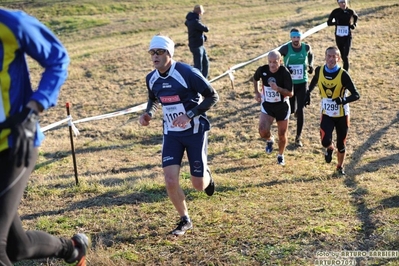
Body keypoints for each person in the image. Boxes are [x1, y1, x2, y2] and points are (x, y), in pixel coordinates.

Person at [0, 8, 89, 266]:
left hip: (14, 144)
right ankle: (72, 250)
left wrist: (32, 111)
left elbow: (57, 59)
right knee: (18, 248)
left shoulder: (11, 23)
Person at [139, 35, 219, 236]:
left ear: (169, 53)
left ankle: (207, 176)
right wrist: (149, 113)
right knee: (170, 180)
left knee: (198, 185)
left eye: (159, 52)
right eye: (152, 52)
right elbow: (153, 99)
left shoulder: (187, 72)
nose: (155, 56)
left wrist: (189, 114)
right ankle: (185, 219)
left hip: (194, 132)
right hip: (171, 134)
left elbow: (212, 96)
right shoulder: (152, 78)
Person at [307, 46, 360, 176]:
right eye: (329, 56)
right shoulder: (319, 71)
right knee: (325, 141)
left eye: (334, 56)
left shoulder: (343, 75)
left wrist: (343, 100)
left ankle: (340, 167)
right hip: (326, 113)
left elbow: (356, 95)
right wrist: (308, 93)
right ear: (325, 57)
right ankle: (330, 148)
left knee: (341, 144)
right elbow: (314, 81)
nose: (331, 59)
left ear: (339, 58)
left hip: (342, 114)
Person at [253, 50, 293, 166]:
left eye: (275, 62)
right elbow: (255, 78)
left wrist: (278, 89)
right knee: (262, 131)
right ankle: (270, 140)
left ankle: (280, 155)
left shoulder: (284, 73)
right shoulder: (263, 70)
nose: (272, 65)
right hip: (268, 105)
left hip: (282, 106)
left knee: (282, 133)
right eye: (270, 62)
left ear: (280, 61)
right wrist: (256, 92)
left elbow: (290, 93)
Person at [278, 28, 314, 147]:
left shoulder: (306, 47)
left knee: (301, 110)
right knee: (292, 109)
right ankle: (294, 111)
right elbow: (277, 58)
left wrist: (310, 65)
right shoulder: (285, 48)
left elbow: (311, 54)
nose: (296, 40)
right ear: (291, 38)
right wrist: (283, 69)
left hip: (302, 82)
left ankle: (298, 138)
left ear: (300, 37)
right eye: (294, 37)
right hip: (290, 84)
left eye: (298, 37)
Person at [327, 0, 358, 71]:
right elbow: (329, 22)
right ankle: (340, 70)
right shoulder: (335, 12)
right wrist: (336, 23)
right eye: (341, 2)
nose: (343, 4)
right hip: (338, 36)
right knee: (341, 54)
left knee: (345, 56)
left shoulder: (350, 11)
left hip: (347, 36)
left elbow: (355, 17)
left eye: (344, 2)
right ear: (338, 3)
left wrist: (354, 24)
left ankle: (346, 73)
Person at [185, 4, 210, 78]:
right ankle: (198, 81)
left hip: (198, 44)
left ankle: (204, 79)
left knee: (205, 63)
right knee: (199, 66)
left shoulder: (190, 19)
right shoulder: (195, 21)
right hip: (197, 46)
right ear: (199, 12)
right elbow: (206, 29)